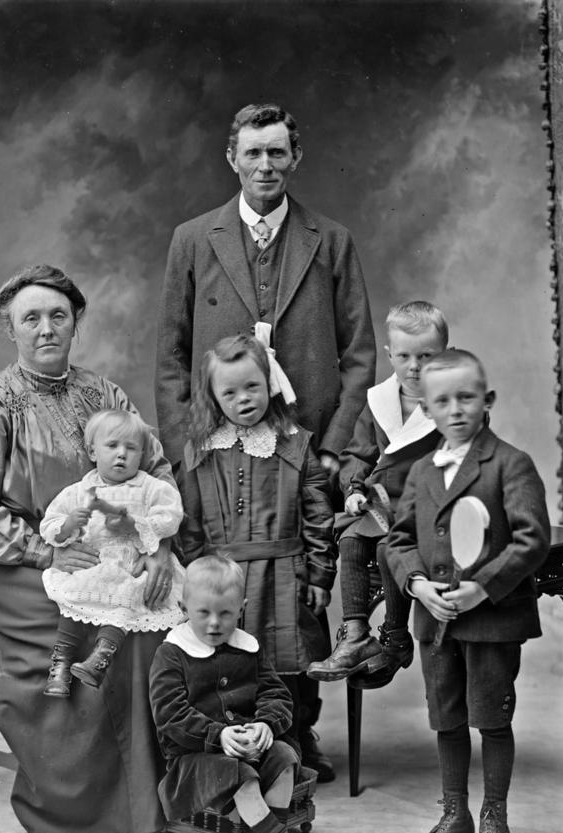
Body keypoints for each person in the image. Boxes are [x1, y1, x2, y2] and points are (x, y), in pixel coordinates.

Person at [156, 102, 377, 780]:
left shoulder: (329, 240)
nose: (265, 165)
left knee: (297, 598)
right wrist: (185, 451)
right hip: (217, 445)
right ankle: (225, 732)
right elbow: (171, 356)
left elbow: (360, 355)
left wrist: (334, 448)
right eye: (253, 153)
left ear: (295, 158)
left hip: (300, 449)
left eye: (277, 152)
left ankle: (298, 731)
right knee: (227, 590)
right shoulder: (194, 239)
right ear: (233, 158)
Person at [0, 263, 178, 833]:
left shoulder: (105, 395)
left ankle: (170, 791)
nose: (46, 329)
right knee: (91, 629)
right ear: (12, 330)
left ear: (76, 323)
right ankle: (101, 805)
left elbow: (155, 470)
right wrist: (42, 552)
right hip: (15, 567)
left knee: (158, 607)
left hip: (113, 551)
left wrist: (160, 547)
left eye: (58, 316)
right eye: (31, 319)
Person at [385, 349, 550, 833]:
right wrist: (417, 585)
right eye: (443, 401)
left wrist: (482, 587)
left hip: (492, 621)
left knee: (492, 719)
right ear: (426, 409)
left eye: (466, 398)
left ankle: (494, 818)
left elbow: (531, 539)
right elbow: (398, 539)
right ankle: (454, 816)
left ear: (487, 400)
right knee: (448, 720)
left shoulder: (510, 463)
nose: (455, 410)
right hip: (436, 623)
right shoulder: (420, 471)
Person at [176, 333, 337, 753]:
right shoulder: (201, 452)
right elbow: (188, 523)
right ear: (213, 397)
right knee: (228, 665)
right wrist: (196, 578)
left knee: (291, 666)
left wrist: (319, 576)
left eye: (252, 386)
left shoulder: (294, 444)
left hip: (286, 576)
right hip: (223, 581)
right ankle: (236, 748)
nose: (243, 399)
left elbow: (318, 516)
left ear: (270, 384)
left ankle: (298, 744)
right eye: (229, 392)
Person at [149, 555, 341, 833]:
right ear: (183, 608)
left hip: (249, 748)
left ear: (241, 609)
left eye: (225, 613)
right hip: (197, 759)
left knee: (284, 756)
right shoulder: (172, 653)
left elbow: (276, 694)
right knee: (237, 772)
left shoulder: (248, 648)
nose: (214, 623)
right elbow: (170, 714)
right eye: (203, 613)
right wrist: (218, 735)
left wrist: (266, 723)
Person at [307, 301, 447, 685]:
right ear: (390, 355)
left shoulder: (450, 403)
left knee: (389, 549)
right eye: (404, 356)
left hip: (425, 505)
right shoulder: (379, 402)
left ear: (445, 355)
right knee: (352, 538)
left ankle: (396, 637)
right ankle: (355, 635)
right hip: (383, 500)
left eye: (426, 356)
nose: (414, 366)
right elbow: (358, 453)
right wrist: (354, 488)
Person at [39, 409, 185, 697]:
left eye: (131, 448)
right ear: (93, 452)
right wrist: (68, 525)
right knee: (73, 598)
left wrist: (136, 524)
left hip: (133, 565)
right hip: (94, 565)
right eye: (112, 446)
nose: (122, 454)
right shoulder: (79, 491)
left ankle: (100, 658)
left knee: (128, 596)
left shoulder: (150, 488)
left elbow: (170, 517)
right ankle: (61, 663)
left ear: (142, 454)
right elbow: (50, 524)